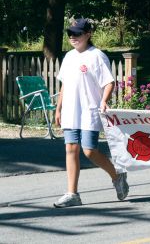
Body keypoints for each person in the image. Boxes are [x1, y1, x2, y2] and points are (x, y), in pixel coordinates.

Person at [53, 18, 129, 208]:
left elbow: (109, 82)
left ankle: (117, 176)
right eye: (70, 33)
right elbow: (64, 85)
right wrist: (59, 108)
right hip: (71, 111)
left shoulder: (97, 56)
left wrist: (104, 101)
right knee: (71, 148)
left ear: (88, 34)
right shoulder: (69, 57)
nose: (73, 37)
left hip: (89, 110)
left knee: (89, 151)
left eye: (77, 33)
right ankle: (72, 194)